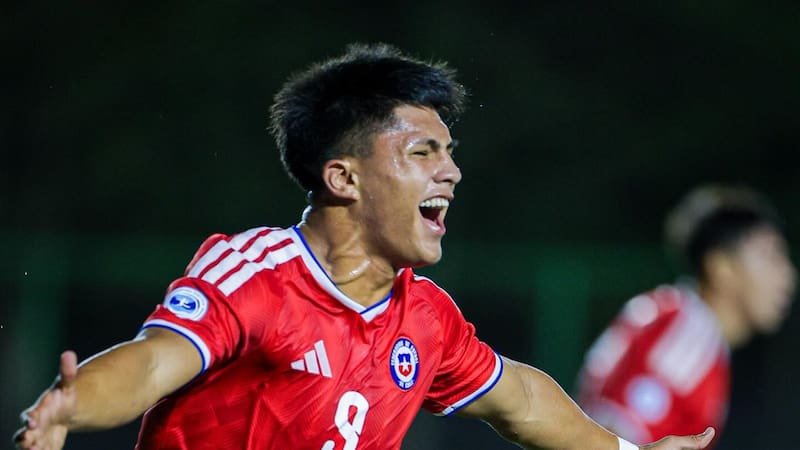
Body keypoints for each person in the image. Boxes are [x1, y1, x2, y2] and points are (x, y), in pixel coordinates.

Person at [14, 43, 716, 450]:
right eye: (423, 151)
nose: (451, 171)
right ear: (343, 178)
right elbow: (152, 362)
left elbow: (521, 400)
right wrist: (73, 404)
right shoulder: (258, 275)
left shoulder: (426, 319)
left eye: (450, 152)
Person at [576, 184, 796, 447]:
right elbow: (615, 430)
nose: (788, 276)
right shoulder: (688, 334)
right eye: (770, 256)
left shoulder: (679, 319)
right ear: (721, 267)